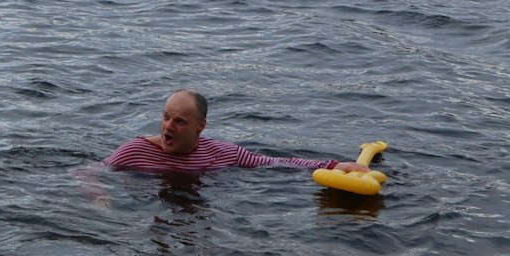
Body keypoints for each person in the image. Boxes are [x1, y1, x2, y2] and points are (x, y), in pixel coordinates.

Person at [102, 89, 370, 174]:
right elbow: (89, 173)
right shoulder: (134, 151)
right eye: (165, 117)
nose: (168, 127)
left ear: (200, 126)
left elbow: (276, 162)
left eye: (179, 121)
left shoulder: (222, 153)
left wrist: (334, 165)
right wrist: (100, 198)